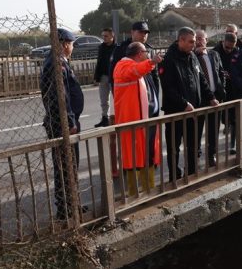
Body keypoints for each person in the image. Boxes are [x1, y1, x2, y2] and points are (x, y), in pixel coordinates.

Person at [159, 27, 218, 181]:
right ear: (181, 40)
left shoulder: (192, 56)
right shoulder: (169, 60)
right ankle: (174, 176)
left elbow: (201, 79)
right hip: (176, 112)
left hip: (194, 111)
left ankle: (191, 174)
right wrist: (183, 103)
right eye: (191, 41)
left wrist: (211, 97)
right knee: (174, 147)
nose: (194, 44)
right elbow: (168, 87)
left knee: (192, 146)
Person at [40, 28, 85, 221]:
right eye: (72, 44)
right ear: (65, 44)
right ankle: (65, 208)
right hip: (62, 124)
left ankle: (71, 203)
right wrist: (70, 121)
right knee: (64, 166)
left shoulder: (59, 62)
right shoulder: (56, 64)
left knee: (70, 166)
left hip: (66, 122)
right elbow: (61, 98)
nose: (72, 48)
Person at [113, 42, 163, 196]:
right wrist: (152, 62)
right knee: (133, 159)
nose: (147, 54)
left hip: (145, 121)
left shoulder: (141, 68)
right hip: (132, 123)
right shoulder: (123, 65)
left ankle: (149, 190)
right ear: (139, 53)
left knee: (147, 157)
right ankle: (134, 194)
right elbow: (132, 72)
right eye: (146, 52)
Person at [195, 30, 226, 167]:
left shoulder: (214, 54)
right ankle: (196, 155)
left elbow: (221, 73)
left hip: (215, 98)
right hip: (200, 100)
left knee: (213, 129)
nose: (199, 41)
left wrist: (222, 89)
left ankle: (211, 154)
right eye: (197, 38)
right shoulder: (192, 56)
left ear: (207, 40)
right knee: (197, 129)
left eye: (202, 38)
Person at [212, 33, 239, 154]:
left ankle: (232, 144)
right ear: (223, 42)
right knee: (217, 120)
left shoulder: (237, 51)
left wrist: (232, 75)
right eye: (227, 47)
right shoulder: (214, 52)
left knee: (234, 118)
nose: (229, 50)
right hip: (218, 91)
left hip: (233, 89)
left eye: (232, 47)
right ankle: (213, 148)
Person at [110, 21, 157, 92]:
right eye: (141, 32)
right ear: (132, 32)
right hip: (129, 92)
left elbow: (154, 75)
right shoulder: (121, 49)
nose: (144, 35)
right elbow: (113, 73)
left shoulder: (149, 49)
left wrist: (156, 93)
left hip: (147, 93)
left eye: (146, 33)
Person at [93, 28, 115, 127]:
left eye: (106, 36)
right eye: (103, 36)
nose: (104, 38)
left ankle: (118, 118)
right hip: (103, 77)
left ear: (112, 36)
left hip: (114, 77)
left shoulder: (117, 48)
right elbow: (99, 63)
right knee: (104, 100)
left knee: (117, 99)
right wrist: (96, 77)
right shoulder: (101, 47)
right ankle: (105, 118)